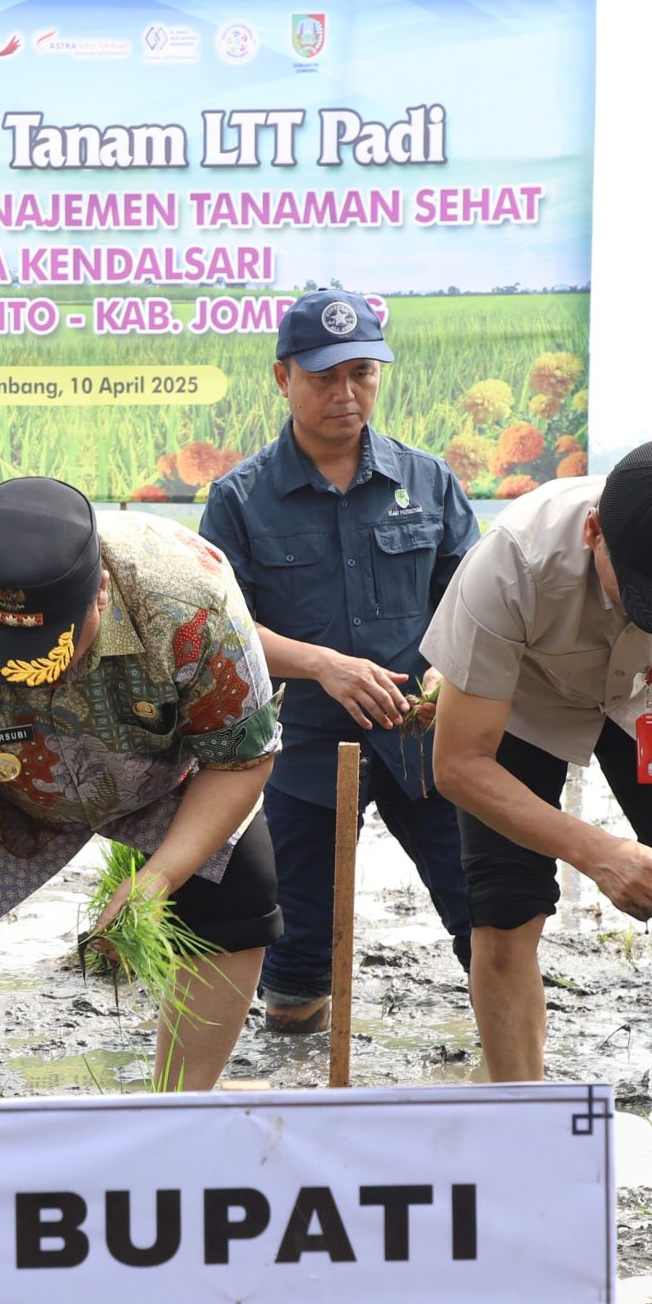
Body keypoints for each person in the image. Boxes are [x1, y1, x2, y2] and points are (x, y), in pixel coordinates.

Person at [0, 476, 280, 1097]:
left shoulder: (190, 600)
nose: (31, 672)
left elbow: (241, 758)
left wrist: (157, 879)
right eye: (8, 650)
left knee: (239, 894)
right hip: (7, 788)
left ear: (102, 596)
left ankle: (180, 1107)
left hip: (161, 772)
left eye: (50, 645)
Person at [425, 440, 652, 1154]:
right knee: (502, 914)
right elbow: (460, 764)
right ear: (594, 533)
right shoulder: (514, 563)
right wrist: (599, 854)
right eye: (644, 594)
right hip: (523, 703)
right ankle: (523, 1133)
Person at [201, 288, 478, 1034]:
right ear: (282, 377)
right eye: (324, 376)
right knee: (294, 985)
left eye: (362, 373)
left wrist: (445, 674)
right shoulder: (241, 500)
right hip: (310, 748)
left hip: (428, 742)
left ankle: (511, 1081)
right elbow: (222, 631)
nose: (345, 394)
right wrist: (324, 665)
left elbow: (475, 604)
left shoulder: (428, 483)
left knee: (488, 928)